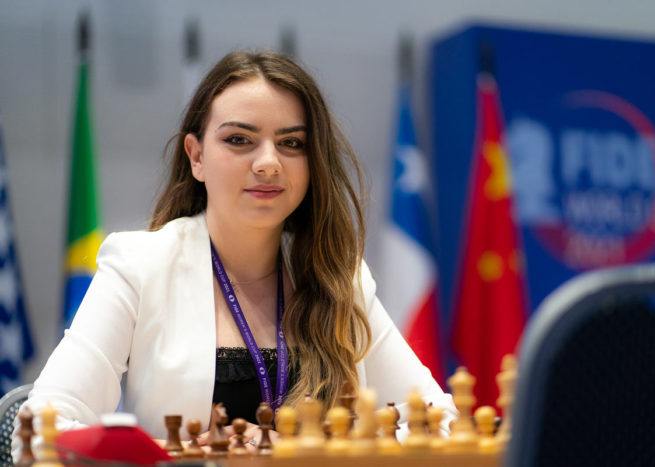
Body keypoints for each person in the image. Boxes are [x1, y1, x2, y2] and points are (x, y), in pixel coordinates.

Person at [13, 50, 455, 459]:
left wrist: (305, 451)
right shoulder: (139, 265)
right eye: (240, 140)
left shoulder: (340, 278)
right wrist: (188, 456)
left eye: (292, 143)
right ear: (196, 157)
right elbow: (36, 434)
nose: (268, 162)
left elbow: (444, 424)